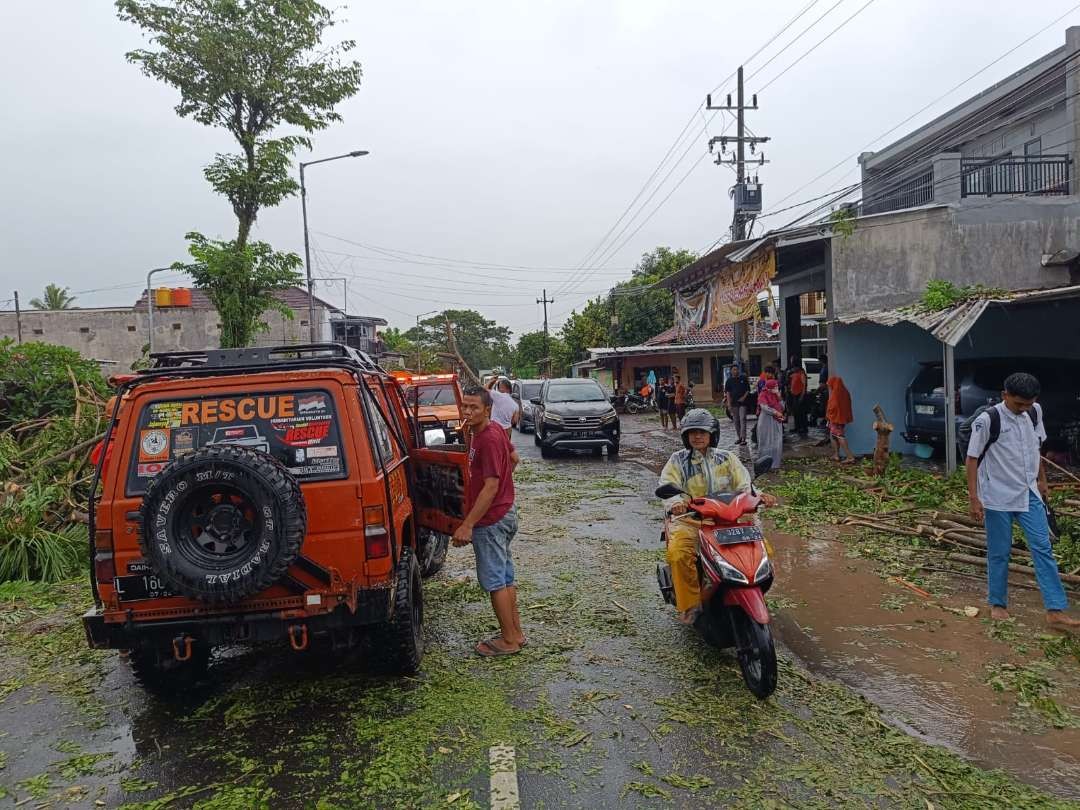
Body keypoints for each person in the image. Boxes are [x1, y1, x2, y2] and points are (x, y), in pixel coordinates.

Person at [966, 373, 1079, 630]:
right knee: (999, 552)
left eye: (1029, 404)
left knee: (1043, 549)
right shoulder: (987, 420)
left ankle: (1055, 609)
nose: (1024, 409)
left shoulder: (1034, 412)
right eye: (1019, 404)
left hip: (1029, 492)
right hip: (996, 495)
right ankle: (998, 604)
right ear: (1005, 395)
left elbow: (1035, 447)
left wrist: (1042, 480)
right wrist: (974, 498)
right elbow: (972, 459)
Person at [658, 409, 776, 624]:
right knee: (679, 554)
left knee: (763, 550)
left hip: (728, 519)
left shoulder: (727, 458)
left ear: (713, 434)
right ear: (685, 436)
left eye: (702, 432)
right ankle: (690, 604)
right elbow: (668, 485)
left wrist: (759, 496)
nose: (697, 436)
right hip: (692, 520)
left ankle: (752, 590)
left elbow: (744, 485)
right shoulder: (677, 460)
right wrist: (675, 504)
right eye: (692, 432)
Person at [452, 387, 528, 655]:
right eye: (465, 406)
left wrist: (468, 524)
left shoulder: (488, 438)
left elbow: (490, 486)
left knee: (495, 581)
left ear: (488, 410)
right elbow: (514, 458)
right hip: (504, 513)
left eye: (474, 408)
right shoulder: (491, 430)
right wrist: (504, 488)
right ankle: (515, 634)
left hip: (492, 520)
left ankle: (508, 641)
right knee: (505, 578)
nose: (468, 412)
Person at [757, 377, 785, 469]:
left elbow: (782, 406)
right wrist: (775, 412)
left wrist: (779, 396)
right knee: (766, 441)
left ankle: (775, 464)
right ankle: (764, 464)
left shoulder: (776, 395)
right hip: (766, 421)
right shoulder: (763, 395)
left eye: (777, 386)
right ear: (769, 387)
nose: (776, 388)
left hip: (776, 421)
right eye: (775, 386)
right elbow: (764, 407)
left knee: (776, 441)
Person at [825, 376, 854, 463]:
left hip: (835, 418)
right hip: (842, 418)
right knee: (834, 436)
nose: (830, 387)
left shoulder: (835, 394)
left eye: (830, 385)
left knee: (839, 436)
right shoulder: (845, 392)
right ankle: (836, 455)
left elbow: (832, 407)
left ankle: (850, 457)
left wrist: (828, 415)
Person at [723, 364, 751, 445]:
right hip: (734, 403)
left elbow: (747, 390)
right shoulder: (729, 381)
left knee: (743, 419)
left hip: (743, 403)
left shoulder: (743, 378)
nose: (736, 371)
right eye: (734, 370)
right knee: (736, 420)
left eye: (737, 369)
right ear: (731, 371)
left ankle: (743, 438)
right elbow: (728, 393)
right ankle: (739, 437)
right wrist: (729, 404)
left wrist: (743, 397)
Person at [788, 358, 808, 436]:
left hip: (800, 395)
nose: (793, 369)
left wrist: (802, 396)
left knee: (801, 413)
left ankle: (803, 427)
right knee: (796, 412)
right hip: (794, 395)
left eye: (794, 367)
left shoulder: (801, 373)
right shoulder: (794, 374)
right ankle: (798, 427)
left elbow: (804, 386)